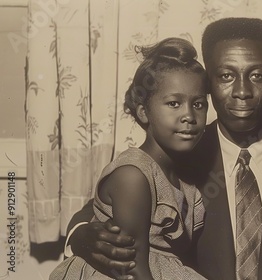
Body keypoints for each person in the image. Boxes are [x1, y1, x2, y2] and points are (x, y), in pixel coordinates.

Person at [65, 17, 262, 280]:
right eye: (226, 76)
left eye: (257, 75)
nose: (242, 91)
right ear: (207, 82)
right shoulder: (179, 148)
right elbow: (105, 205)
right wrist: (80, 234)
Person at [51, 38, 209, 280]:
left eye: (198, 104)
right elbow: (132, 268)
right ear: (144, 112)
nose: (189, 115)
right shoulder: (133, 175)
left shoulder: (183, 176)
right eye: (174, 104)